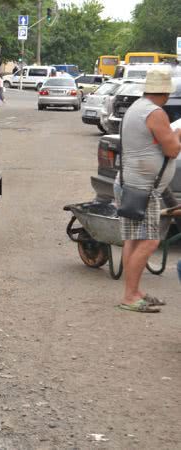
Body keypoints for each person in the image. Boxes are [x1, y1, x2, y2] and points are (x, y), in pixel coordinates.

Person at [114, 69, 180, 312]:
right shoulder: (155, 112)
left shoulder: (137, 107)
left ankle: (133, 292)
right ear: (165, 92)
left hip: (132, 184)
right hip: (143, 188)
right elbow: (172, 150)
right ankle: (130, 297)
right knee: (150, 241)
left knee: (134, 240)